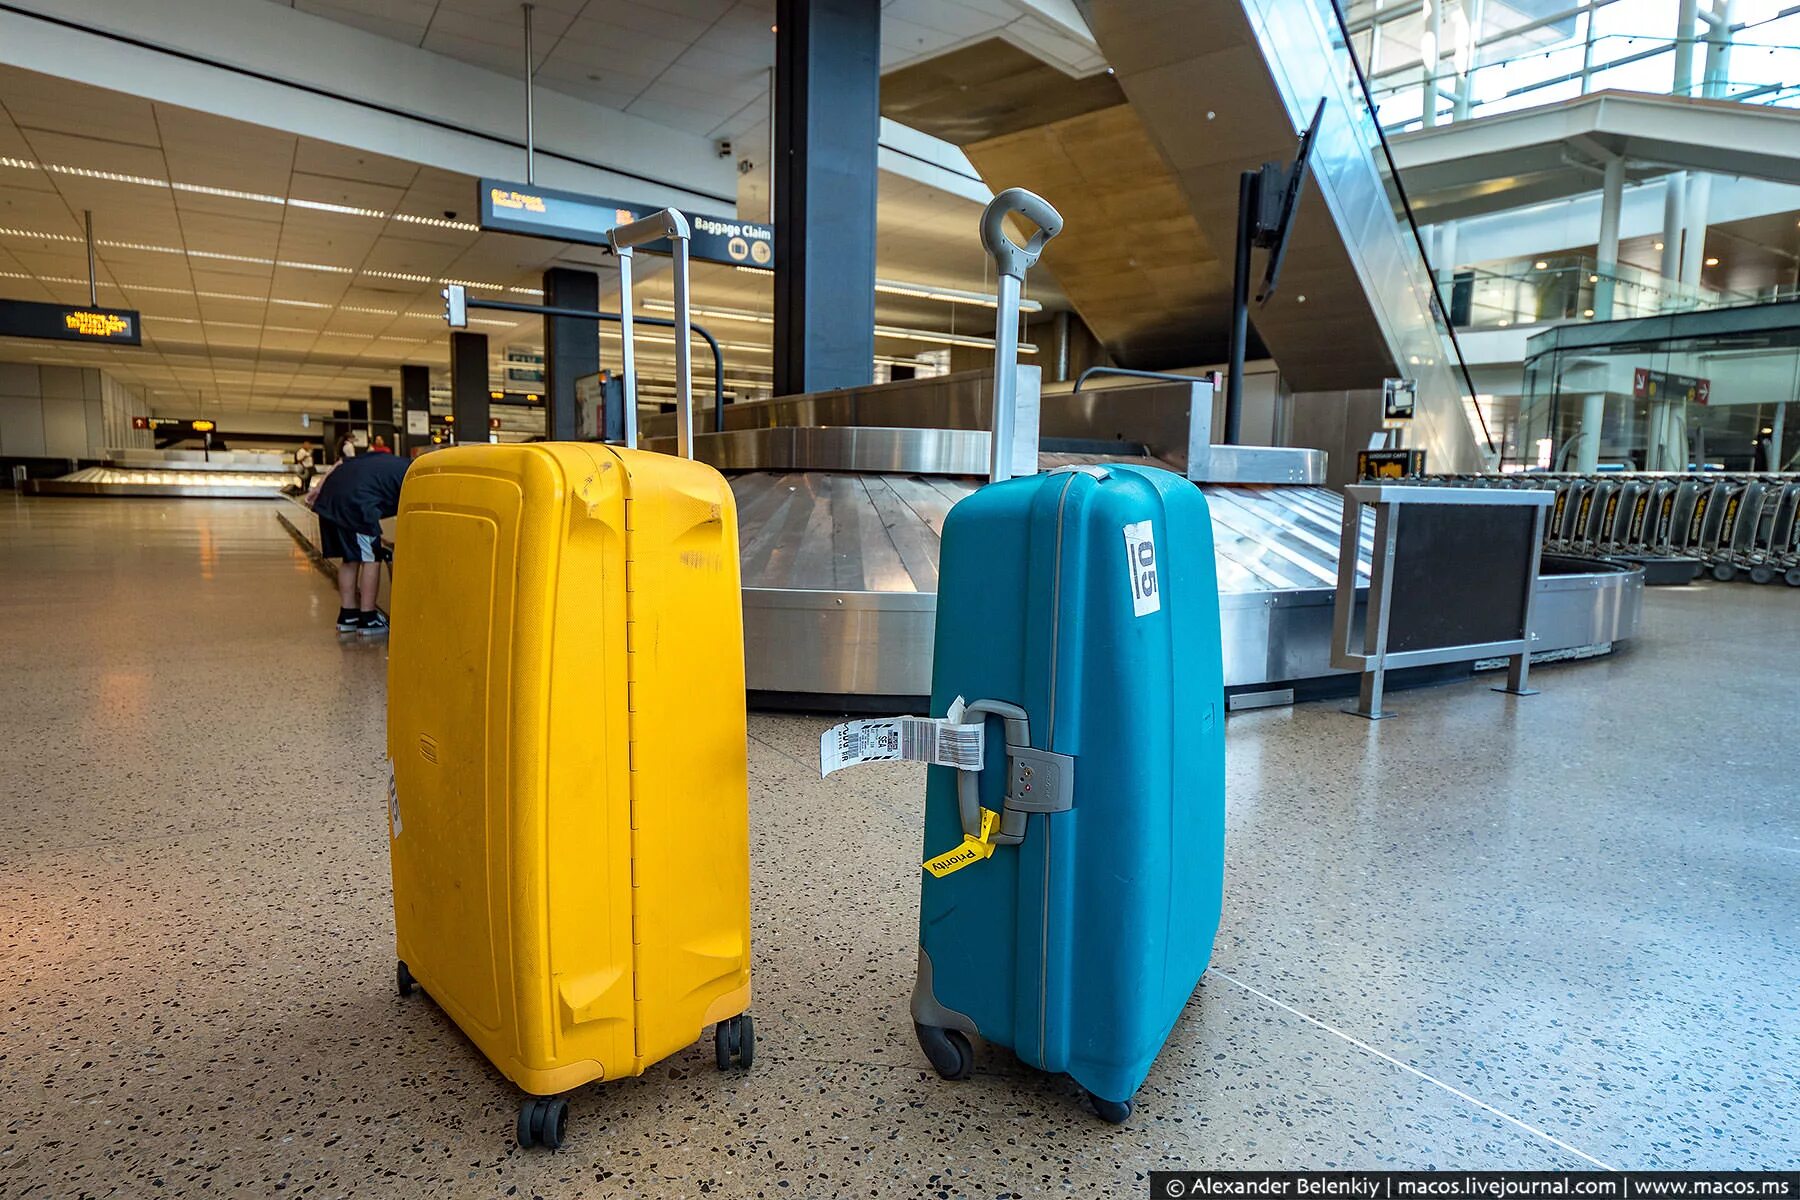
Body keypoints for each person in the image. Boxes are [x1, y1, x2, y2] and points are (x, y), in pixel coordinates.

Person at [311, 451, 411, 636]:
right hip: (356, 502)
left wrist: (319, 486)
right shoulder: (415, 477)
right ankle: (368, 618)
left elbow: (340, 461)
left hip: (330, 496)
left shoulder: (391, 461)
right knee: (371, 557)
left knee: (351, 558)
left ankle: (348, 615)